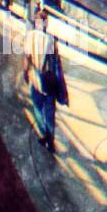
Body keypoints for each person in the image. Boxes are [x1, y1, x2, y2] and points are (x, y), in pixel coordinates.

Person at [23, 12, 62, 154]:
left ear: (36, 22)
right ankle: (50, 141)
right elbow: (55, 64)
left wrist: (25, 72)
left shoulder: (30, 36)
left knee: (38, 110)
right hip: (49, 84)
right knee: (50, 114)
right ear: (46, 23)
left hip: (36, 80)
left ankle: (45, 135)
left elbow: (27, 57)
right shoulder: (51, 40)